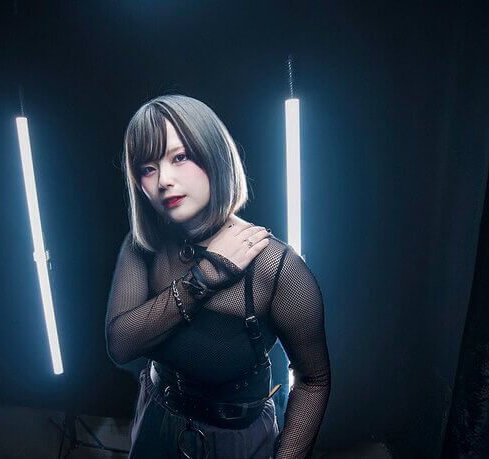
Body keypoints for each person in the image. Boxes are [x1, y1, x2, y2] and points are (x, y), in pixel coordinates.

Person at [105, 94, 330, 458]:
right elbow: (121, 345)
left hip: (234, 439)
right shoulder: (142, 244)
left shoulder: (275, 266)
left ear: (213, 154)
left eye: (179, 157)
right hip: (156, 420)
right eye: (147, 168)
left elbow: (314, 380)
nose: (164, 180)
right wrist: (203, 279)